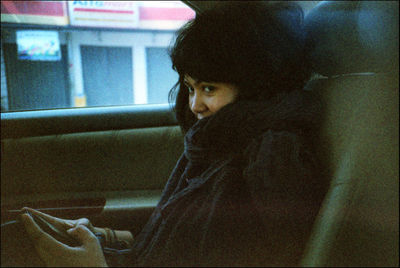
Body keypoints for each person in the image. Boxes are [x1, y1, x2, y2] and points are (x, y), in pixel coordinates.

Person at [18, 1, 327, 266]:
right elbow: (181, 244)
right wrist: (103, 239)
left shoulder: (271, 157)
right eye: (190, 88)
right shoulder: (220, 141)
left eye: (209, 88)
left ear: (254, 82)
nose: (195, 105)